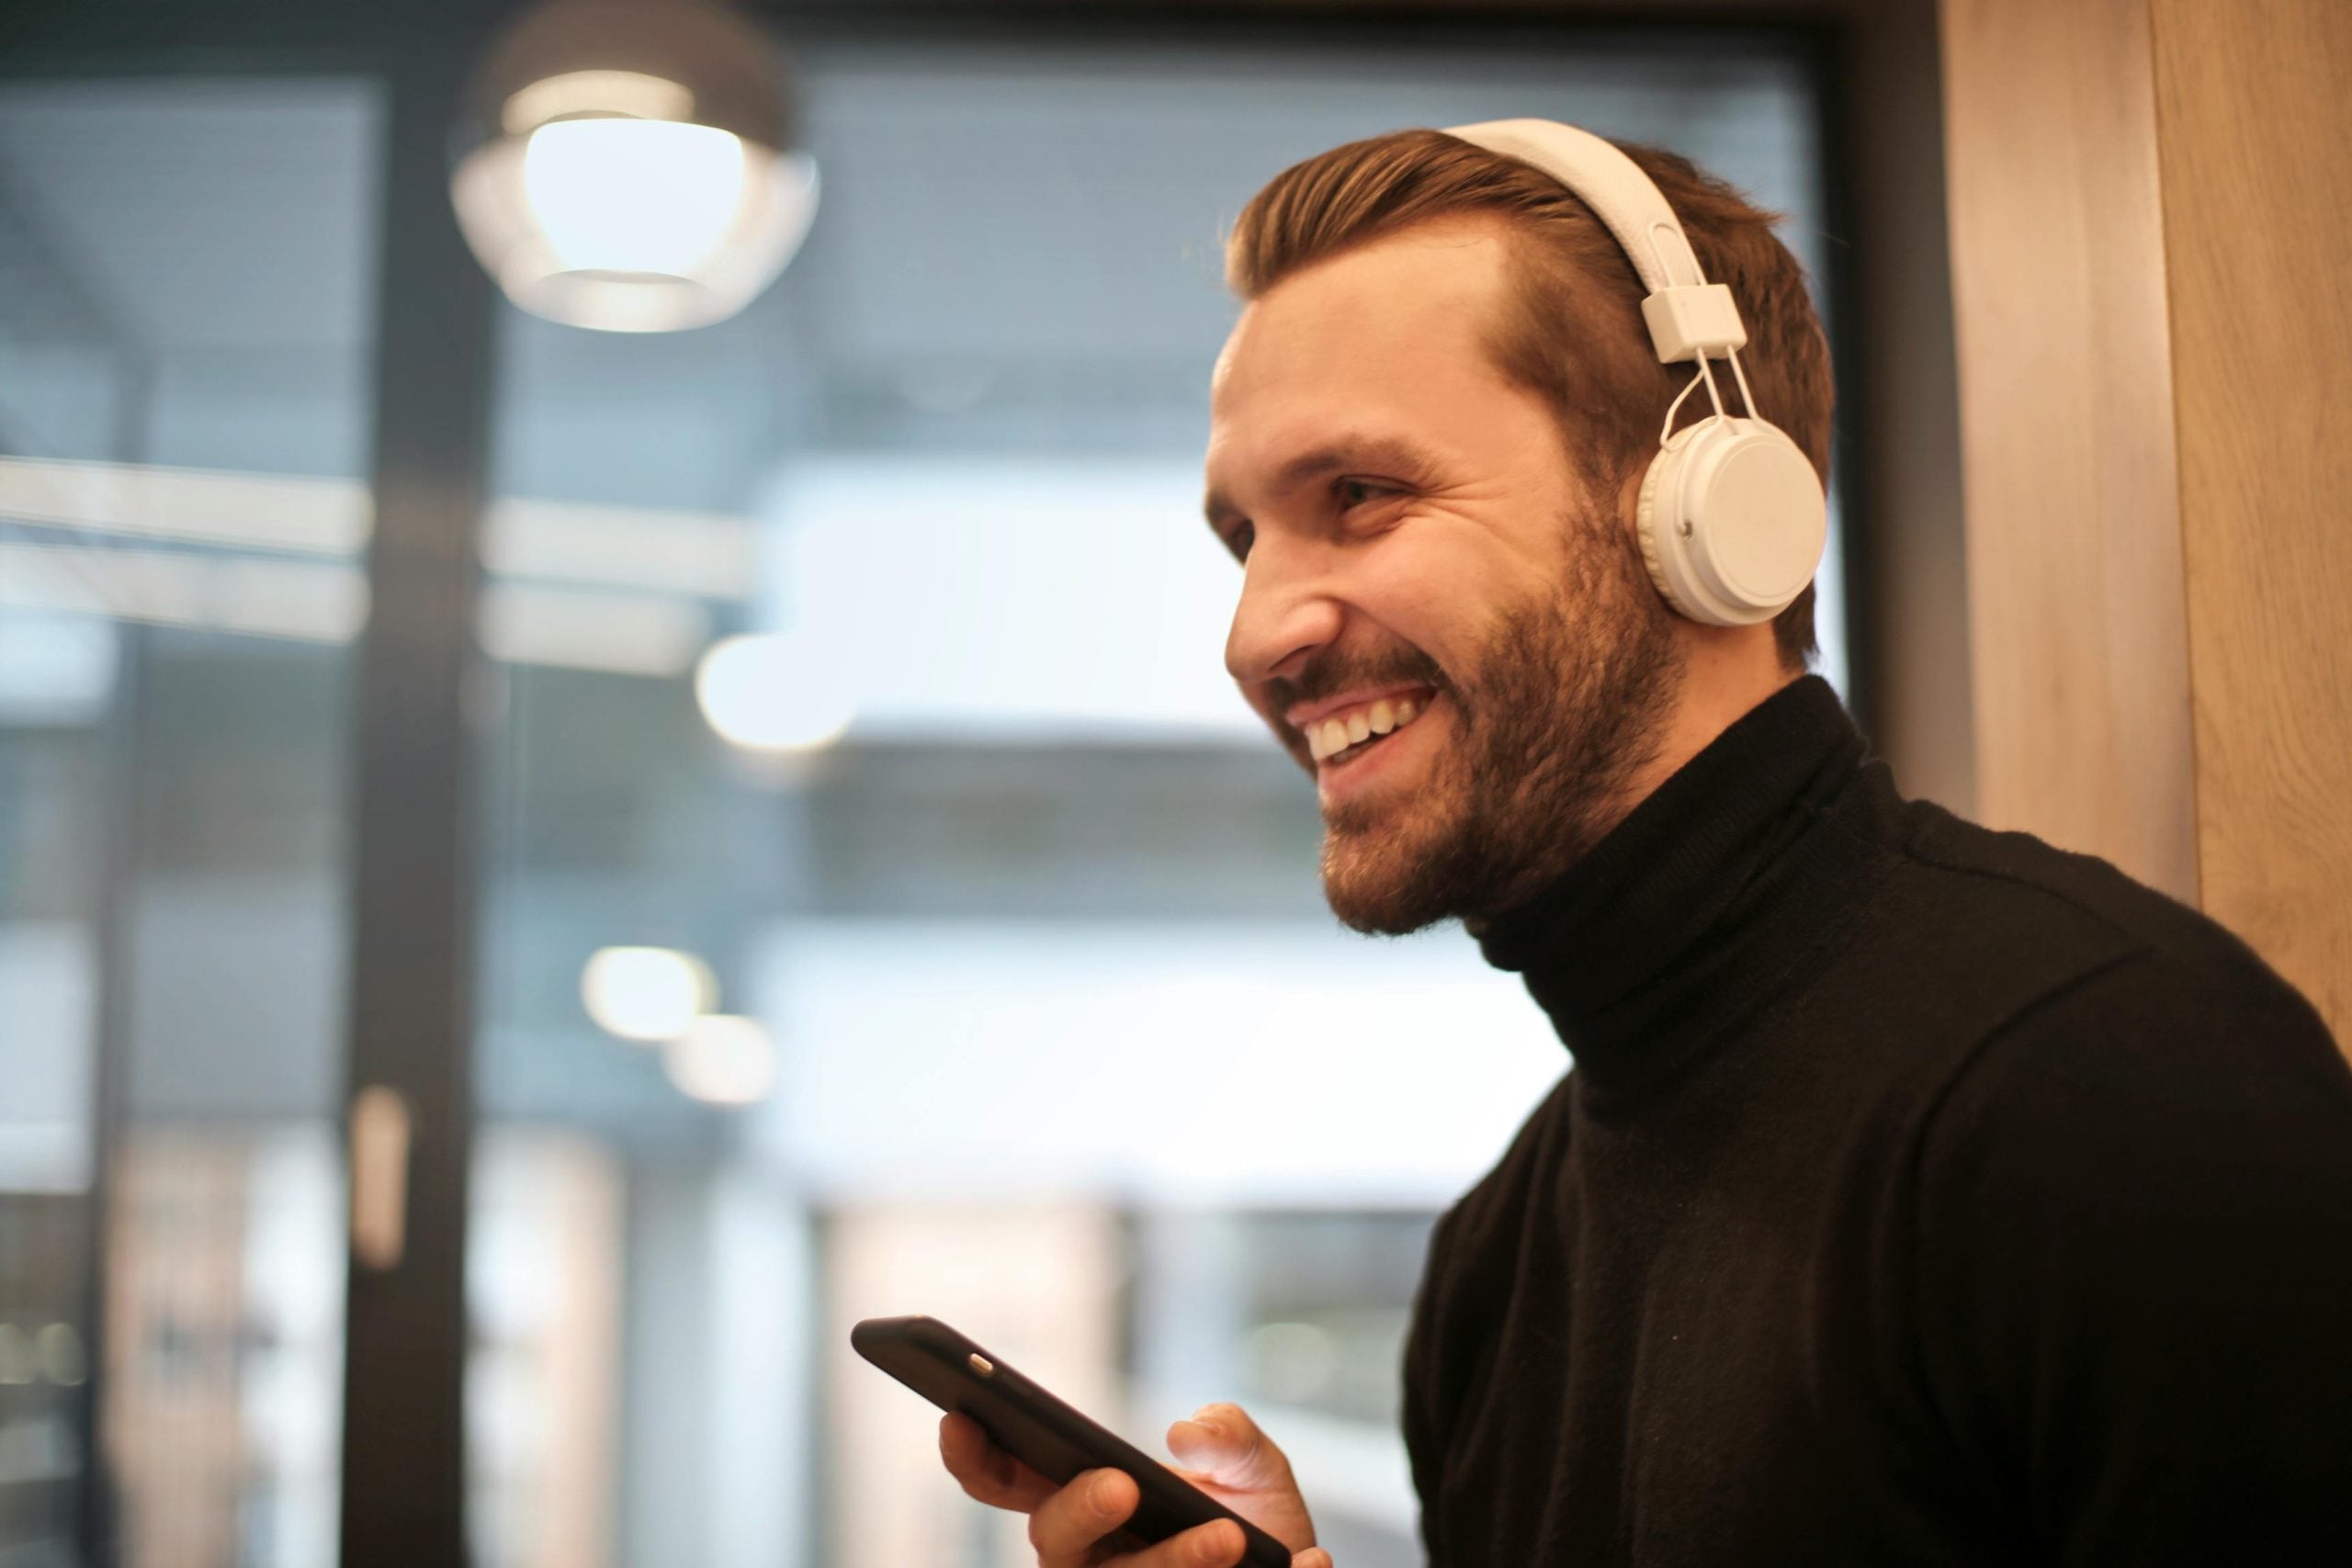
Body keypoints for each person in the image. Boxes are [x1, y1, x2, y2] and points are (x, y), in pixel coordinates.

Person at [937, 120, 2352, 1567]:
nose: (1255, 638)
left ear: (1711, 508)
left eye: (1359, 496)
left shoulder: (2104, 1080)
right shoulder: (1495, 1270)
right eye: (1247, 541)